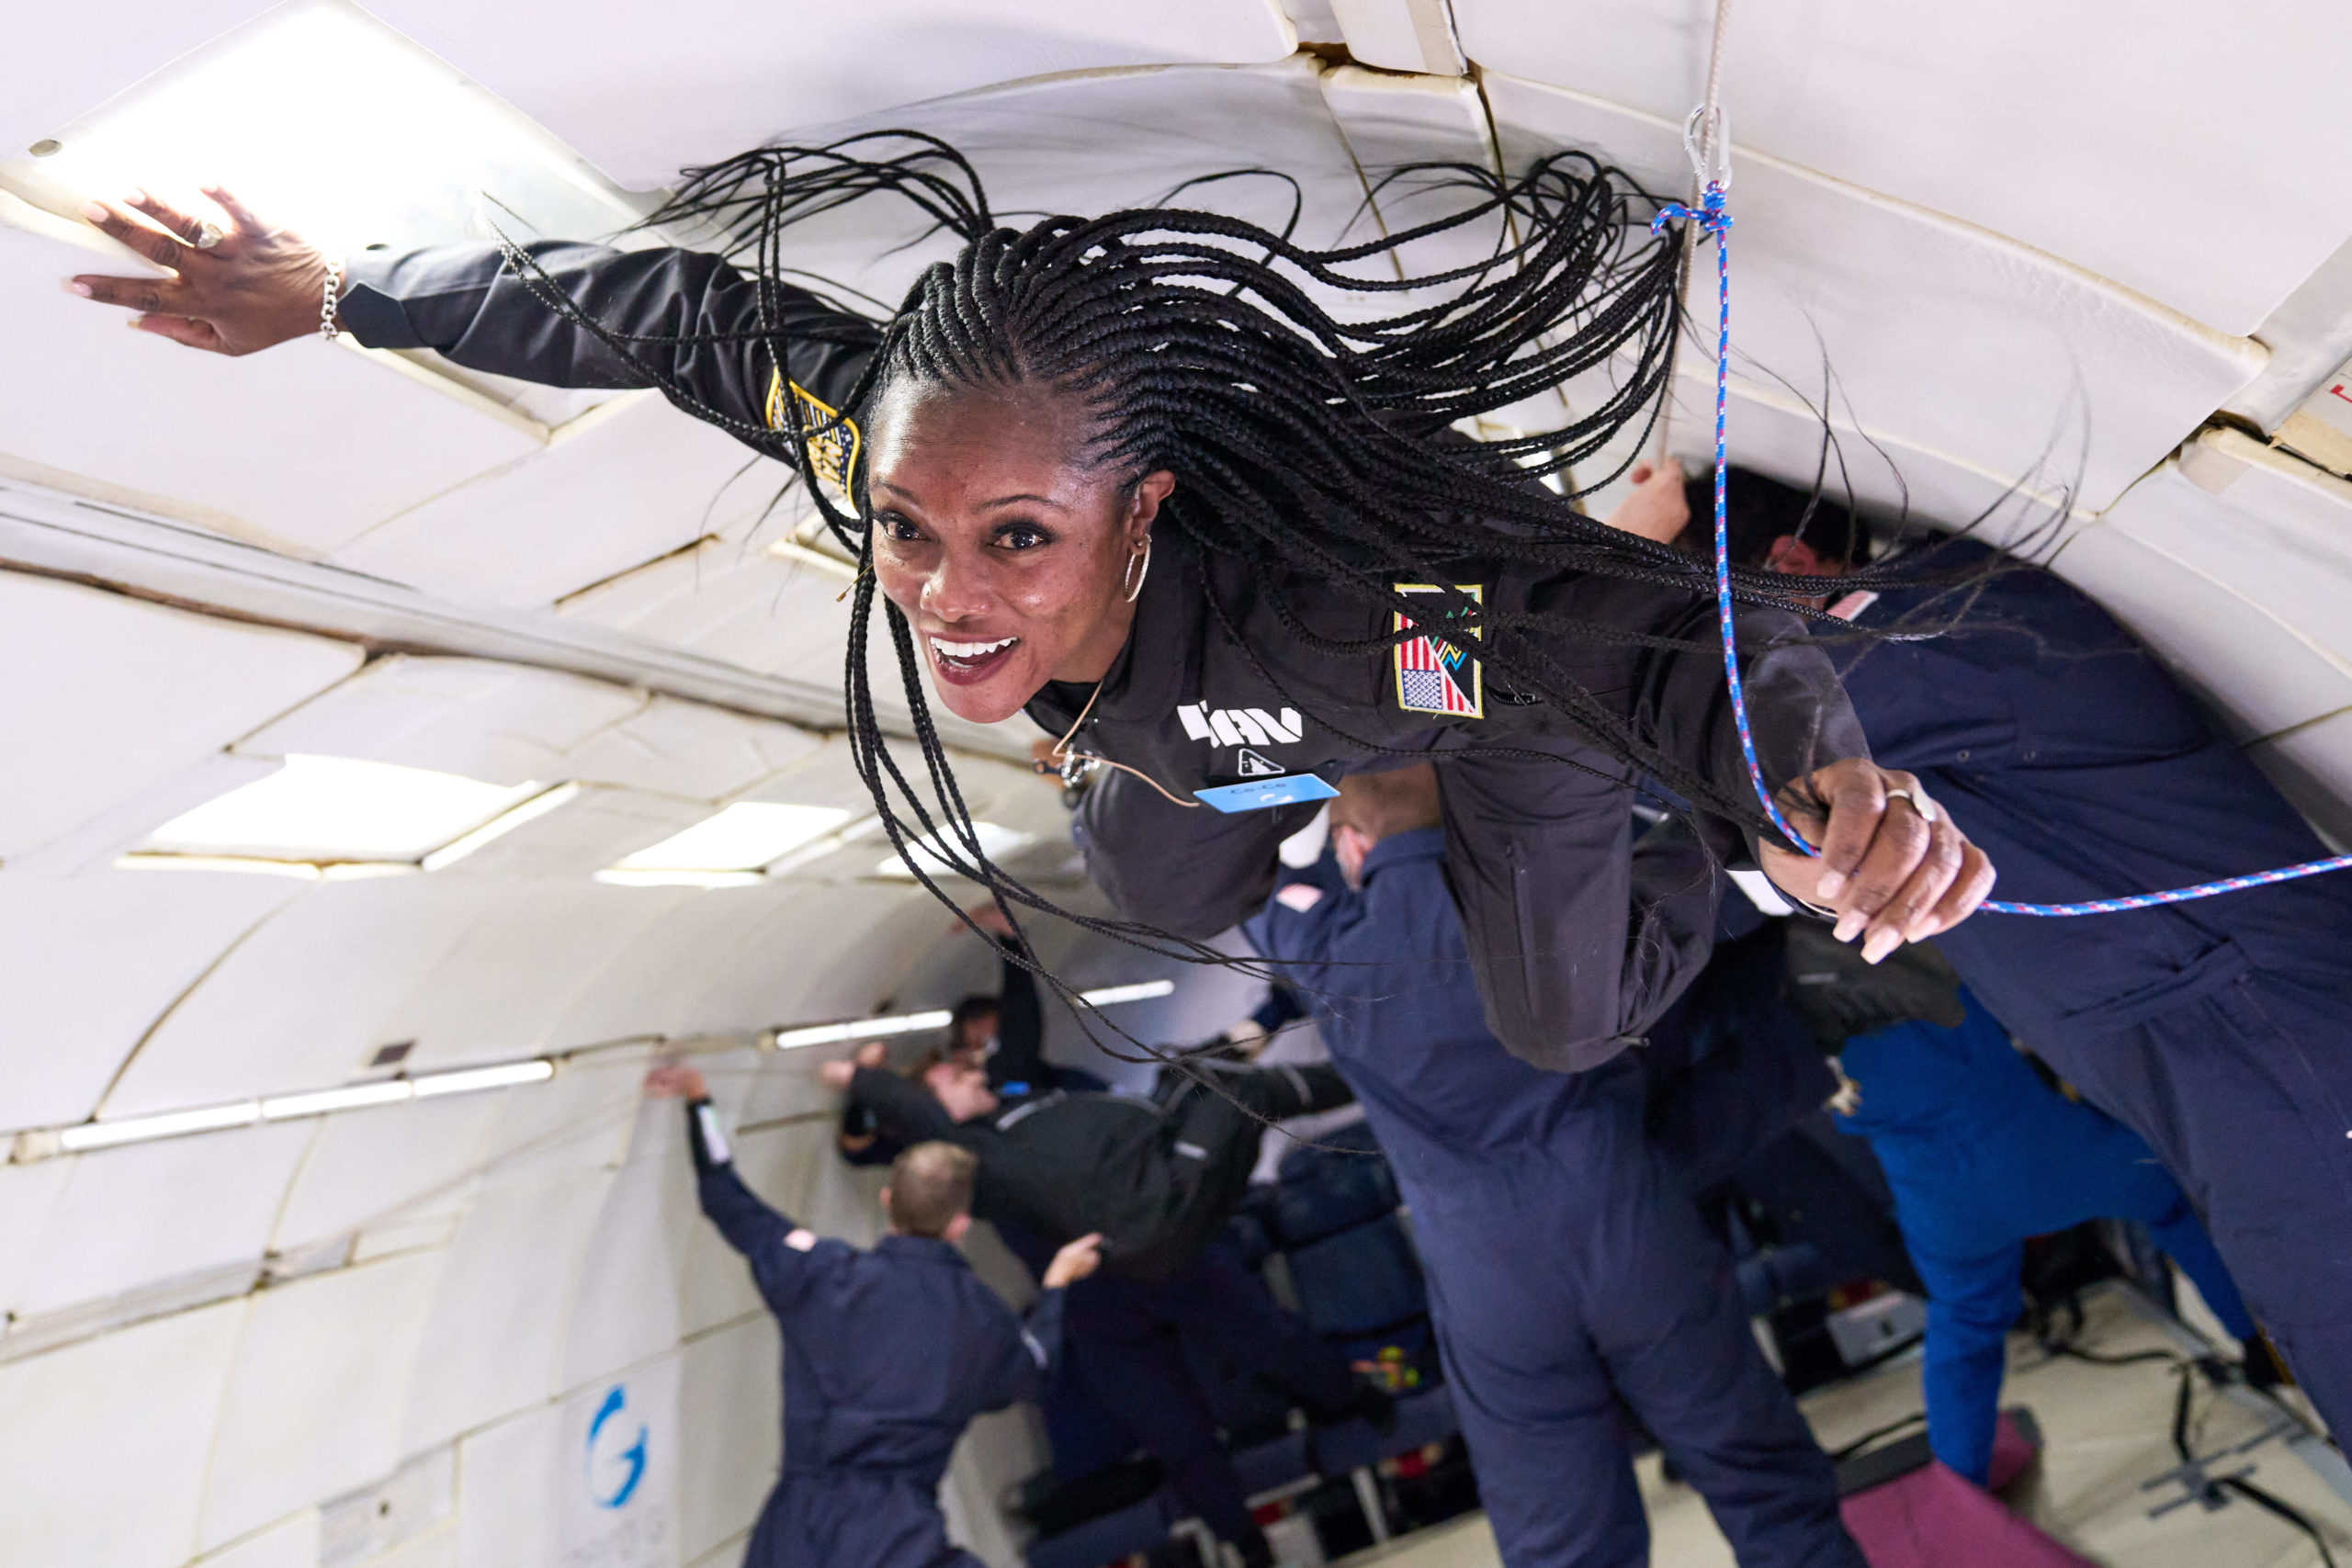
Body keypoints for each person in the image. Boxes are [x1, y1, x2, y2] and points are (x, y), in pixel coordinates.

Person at [66, 152, 1991, 1079]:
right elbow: (659, 317)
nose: (939, 597)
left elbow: (1656, 639)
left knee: (1560, 1018)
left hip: (1439, 687)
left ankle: (1686, 875)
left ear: (1135, 511)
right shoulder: (891, 448)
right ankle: (1336, 807)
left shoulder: (1353, 611)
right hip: (1193, 753)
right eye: (907, 528)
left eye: (1008, 539)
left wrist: (1800, 786)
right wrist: (347, 295)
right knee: (1165, 891)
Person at [1687, 465, 2352, 1438]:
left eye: (1715, 615)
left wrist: (1454, 595)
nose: (1726, 652)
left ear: (1791, 566)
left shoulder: (1917, 629)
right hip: (2236, 1047)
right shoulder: (1919, 637)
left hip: (2262, 1049)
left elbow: (1700, 757)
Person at [1247, 766, 1866, 1568]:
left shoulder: (1334, 953)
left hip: (1489, 1280)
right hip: (1631, 1229)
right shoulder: (1554, 913)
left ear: (1353, 847)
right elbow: (1715, 869)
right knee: (1762, 1477)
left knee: (1561, 1547)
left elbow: (1224, 878)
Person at [1778, 926, 2266, 1487]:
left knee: (1963, 1325)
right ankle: (2256, 1343)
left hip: (1940, 1203)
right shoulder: (1927, 946)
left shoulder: (1789, 997)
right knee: (2174, 1202)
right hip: (2051, 1157)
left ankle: (1961, 1488)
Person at [643, 1064, 1102, 1568]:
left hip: (794, 1530)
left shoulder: (821, 1273)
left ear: (889, 1201)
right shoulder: (982, 1319)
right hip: (895, 1535)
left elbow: (727, 1199)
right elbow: (1036, 1371)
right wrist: (1057, 1283)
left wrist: (697, 1098)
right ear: (961, 1223)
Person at [820, 1037, 1355, 1282]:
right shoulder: (978, 1164)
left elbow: (1017, 1030)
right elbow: (906, 1119)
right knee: (1244, 1093)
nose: (976, 1075)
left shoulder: (1015, 1108)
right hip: (1161, 1206)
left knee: (1192, 1071)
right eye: (959, 1080)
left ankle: (1357, 1073)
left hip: (1161, 1170)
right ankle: (1369, 1074)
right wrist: (859, 1079)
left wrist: (1007, 936)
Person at [838, 904, 1103, 1166]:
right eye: (974, 1047)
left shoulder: (1048, 1085)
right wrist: (863, 1085)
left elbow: (1022, 1029)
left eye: (993, 1044)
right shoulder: (943, 1132)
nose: (978, 1071)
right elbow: (858, 1148)